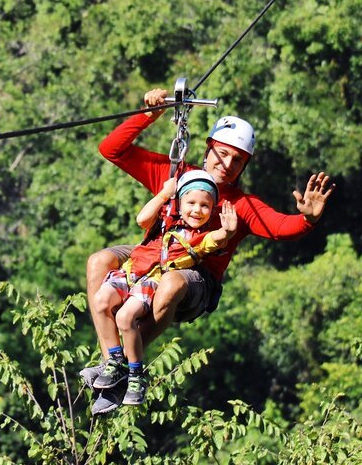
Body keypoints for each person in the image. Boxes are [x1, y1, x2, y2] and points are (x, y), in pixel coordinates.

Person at [84, 88, 335, 414]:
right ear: (209, 147)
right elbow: (112, 149)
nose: (227, 164)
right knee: (98, 261)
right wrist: (150, 114)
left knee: (172, 282)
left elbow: (281, 228)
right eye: (223, 153)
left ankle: (129, 369)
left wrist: (308, 218)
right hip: (153, 253)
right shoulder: (176, 174)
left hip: (194, 276)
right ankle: (112, 364)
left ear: (244, 165)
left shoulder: (242, 205)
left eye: (237, 160)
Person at [90, 170, 237, 406]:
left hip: (152, 280)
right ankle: (114, 361)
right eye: (191, 203)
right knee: (100, 302)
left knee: (126, 318)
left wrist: (228, 232)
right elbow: (141, 219)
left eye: (205, 206)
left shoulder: (200, 238)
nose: (197, 210)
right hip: (130, 272)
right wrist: (164, 195)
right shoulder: (163, 220)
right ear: (179, 202)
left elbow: (217, 239)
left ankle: (136, 375)